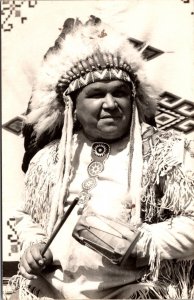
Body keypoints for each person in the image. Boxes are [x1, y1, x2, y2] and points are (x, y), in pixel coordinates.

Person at [10, 15, 194, 299]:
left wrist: (143, 243)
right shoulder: (48, 160)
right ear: (72, 106)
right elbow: (26, 218)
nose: (111, 104)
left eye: (120, 93)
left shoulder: (166, 152)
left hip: (136, 290)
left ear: (133, 99)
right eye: (96, 94)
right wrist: (34, 246)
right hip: (54, 289)